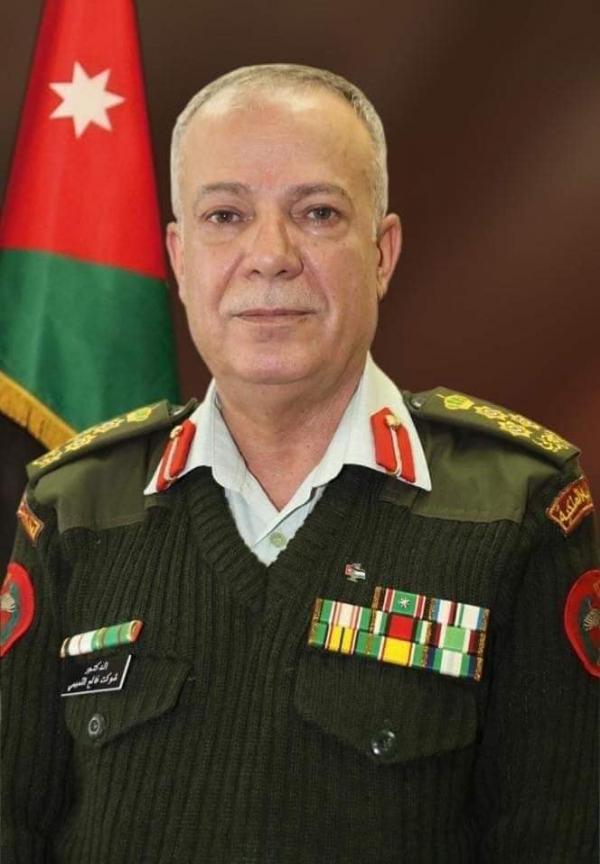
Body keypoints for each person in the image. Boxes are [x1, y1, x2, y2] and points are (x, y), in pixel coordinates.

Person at [1, 64, 598, 864]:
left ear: (382, 253)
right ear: (179, 257)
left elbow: (560, 837)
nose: (269, 256)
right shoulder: (76, 503)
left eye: (317, 213)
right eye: (225, 215)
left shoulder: (516, 505)